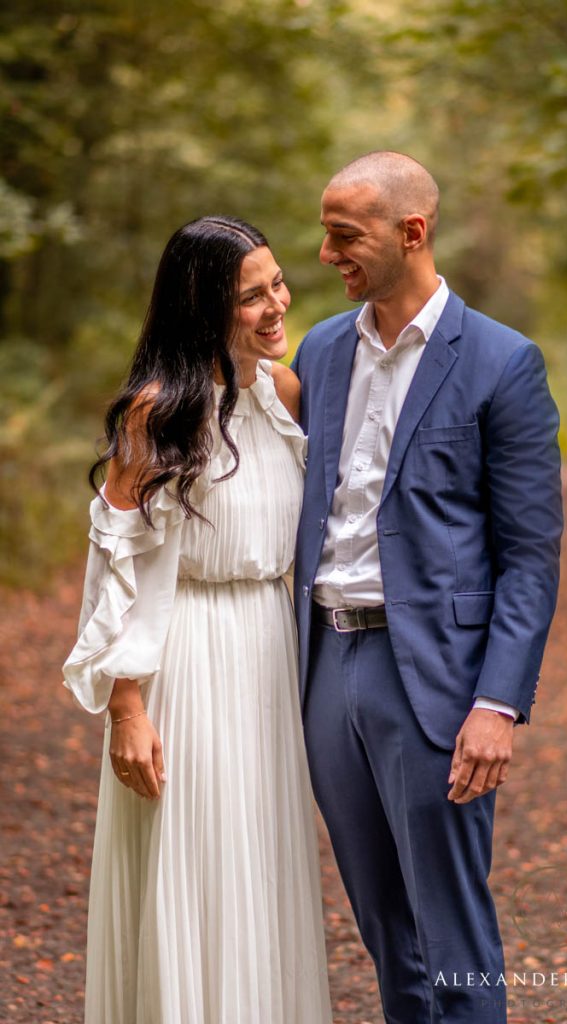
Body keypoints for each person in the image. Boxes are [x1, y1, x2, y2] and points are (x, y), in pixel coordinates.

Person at [291, 152, 563, 1023]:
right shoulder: (322, 350)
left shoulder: (501, 362)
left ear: (412, 232)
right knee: (382, 929)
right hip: (325, 664)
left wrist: (497, 702)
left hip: (434, 679)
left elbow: (529, 555)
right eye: (325, 232)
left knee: (451, 935)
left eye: (344, 235)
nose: (327, 252)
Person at [62, 216, 332, 1024]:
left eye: (276, 284)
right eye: (250, 296)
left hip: (267, 652)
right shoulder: (157, 414)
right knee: (194, 865)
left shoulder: (283, 394)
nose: (276, 305)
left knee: (262, 862)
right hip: (185, 659)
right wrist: (127, 708)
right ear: (201, 308)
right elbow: (118, 572)